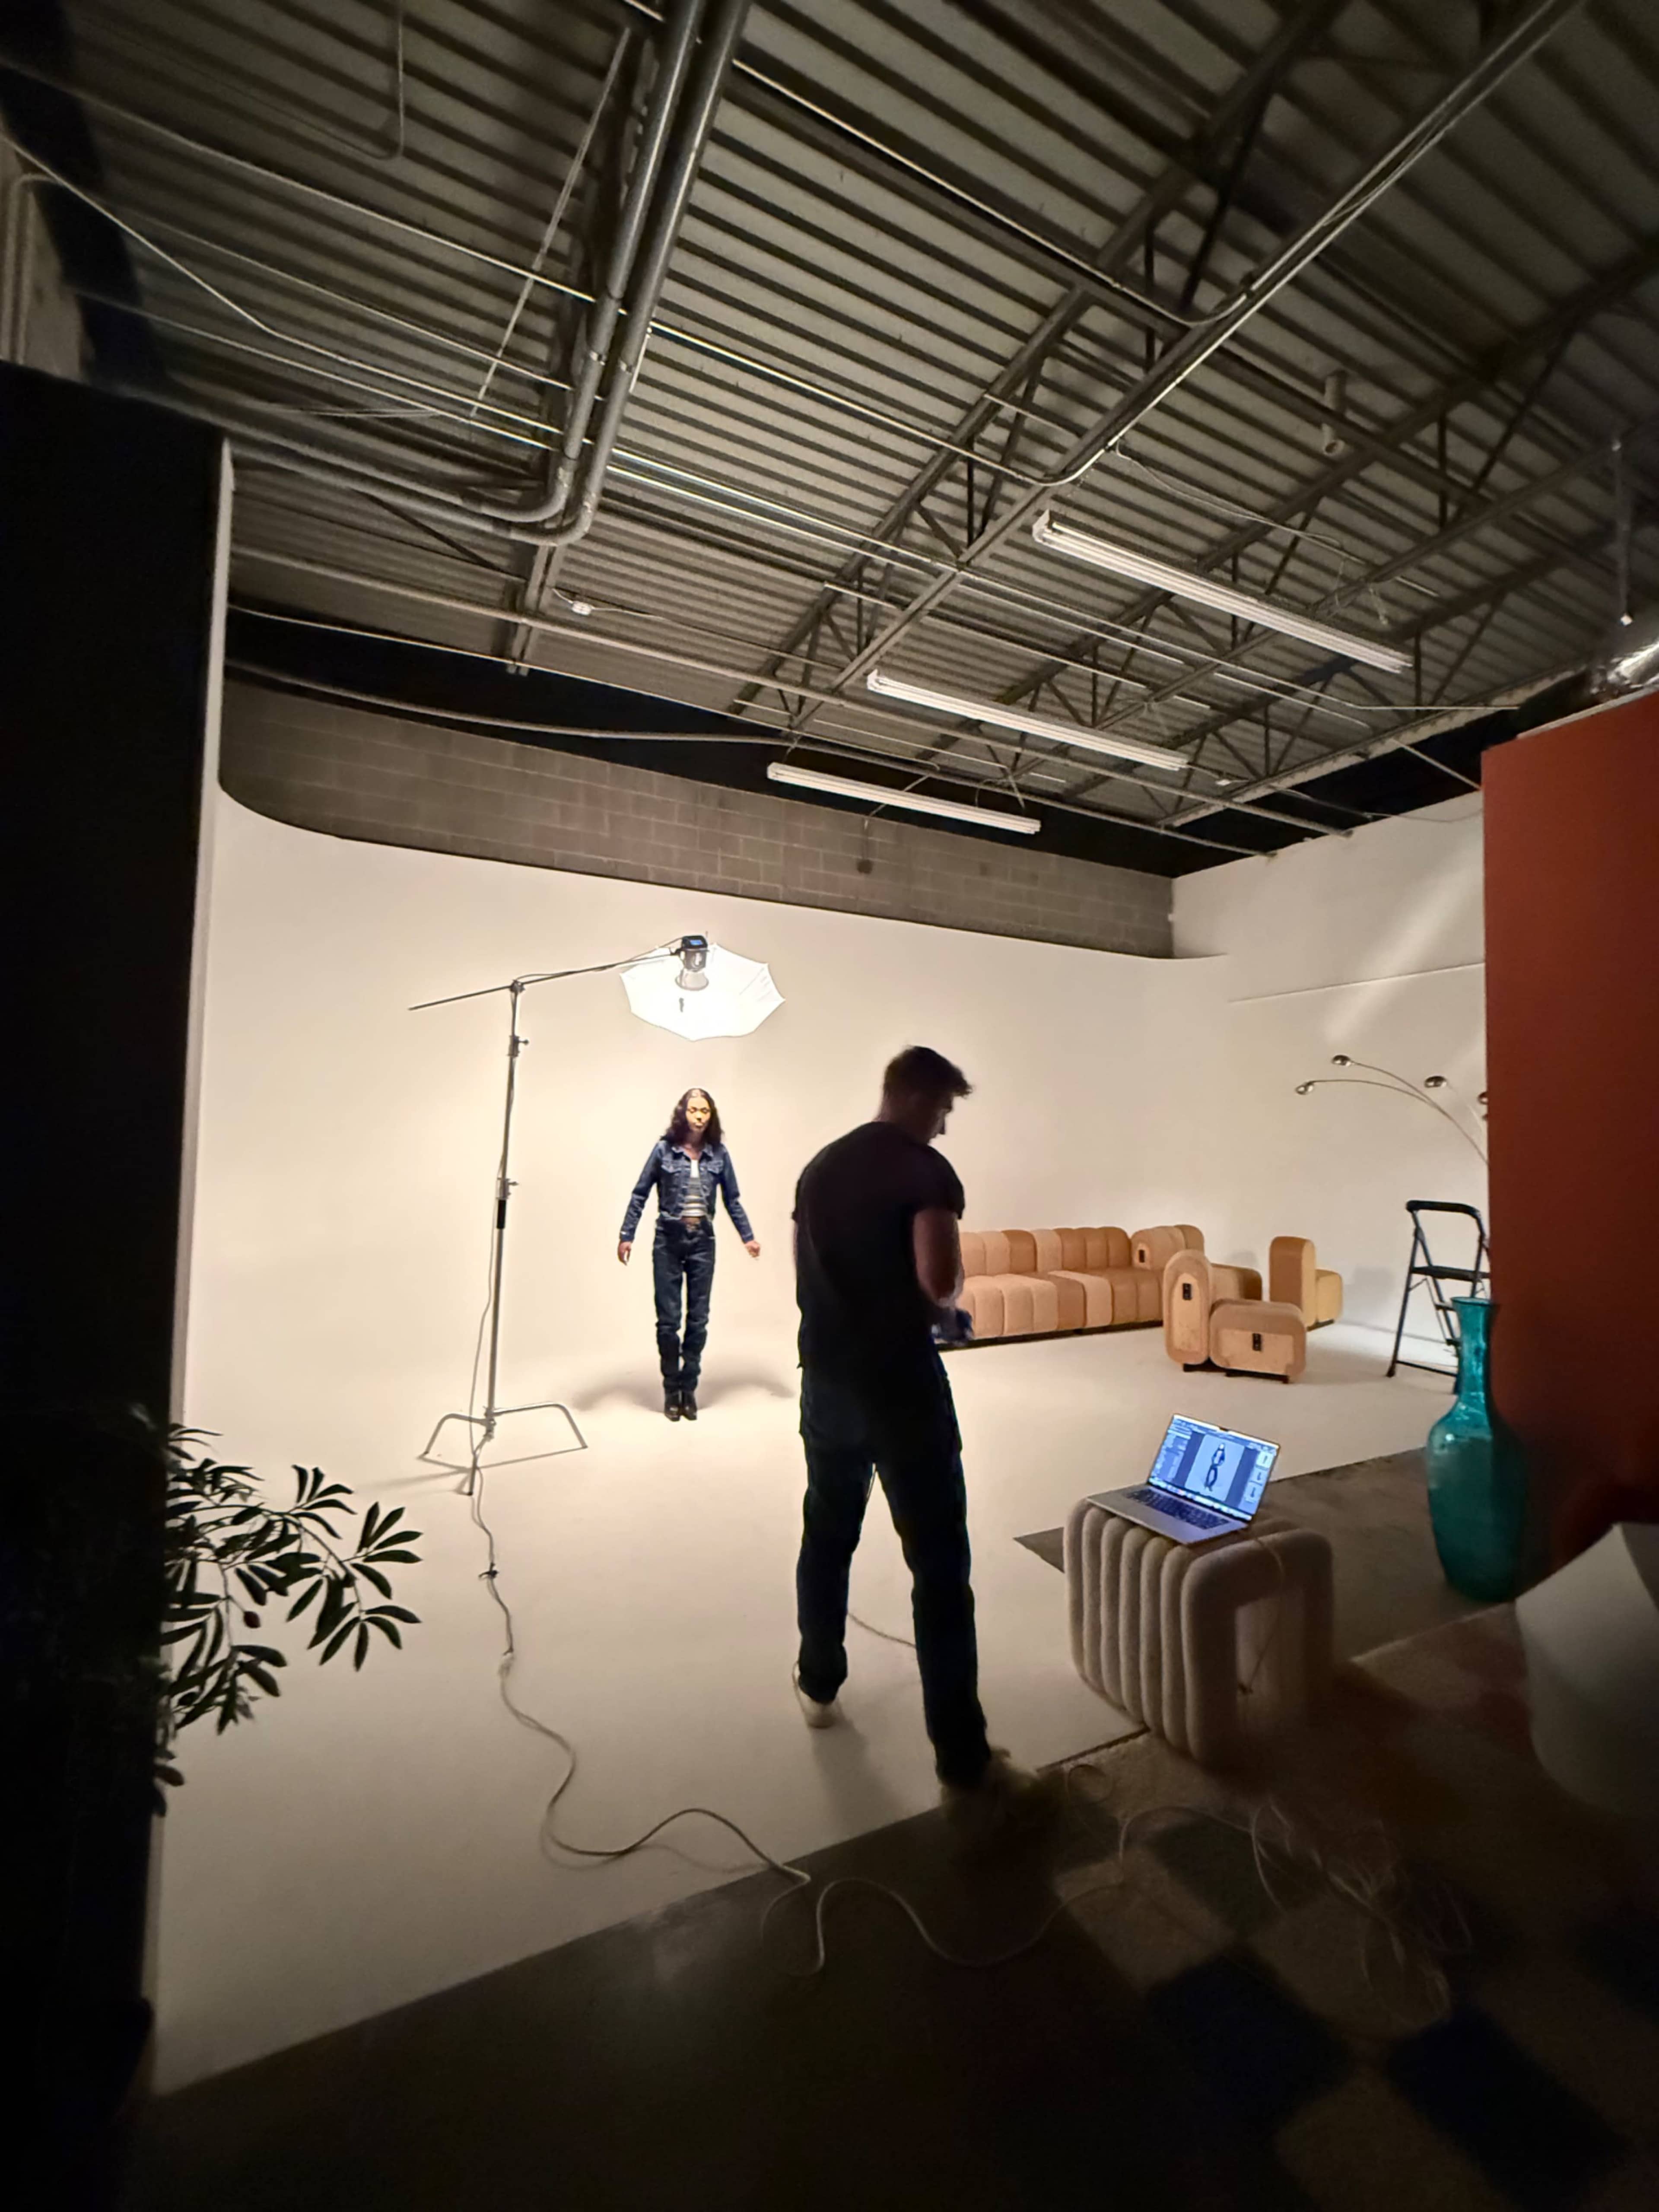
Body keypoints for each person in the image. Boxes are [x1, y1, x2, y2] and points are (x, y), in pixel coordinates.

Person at [791, 1046, 1054, 1835]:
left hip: (827, 1382)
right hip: (900, 1392)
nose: (944, 1127)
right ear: (919, 1095)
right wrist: (947, 1302)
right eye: (944, 1109)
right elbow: (938, 1279)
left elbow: (813, 1276)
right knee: (940, 1570)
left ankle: (818, 1684)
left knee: (828, 1531)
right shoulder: (923, 1171)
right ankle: (966, 1770)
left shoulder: (819, 1168)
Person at [618, 1088, 759, 1421]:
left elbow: (732, 1199)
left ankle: (689, 1390)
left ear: (712, 1116)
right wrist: (627, 1235)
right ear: (683, 1113)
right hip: (668, 1238)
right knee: (668, 1321)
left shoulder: (719, 1154)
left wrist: (748, 1237)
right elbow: (641, 1193)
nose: (699, 1116)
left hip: (703, 1241)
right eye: (694, 1110)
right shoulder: (663, 1151)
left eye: (705, 1111)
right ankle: (671, 1390)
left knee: (698, 1318)